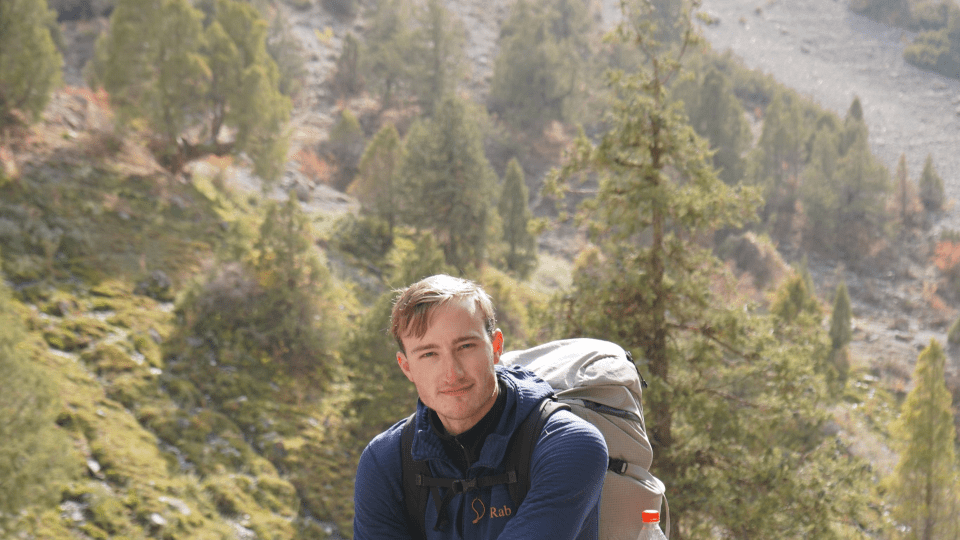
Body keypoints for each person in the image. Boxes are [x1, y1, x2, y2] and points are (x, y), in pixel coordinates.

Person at [353, 274, 608, 540]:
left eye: (465, 346)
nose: (452, 373)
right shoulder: (385, 462)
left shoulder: (568, 445)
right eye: (429, 354)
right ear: (407, 367)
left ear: (495, 347)